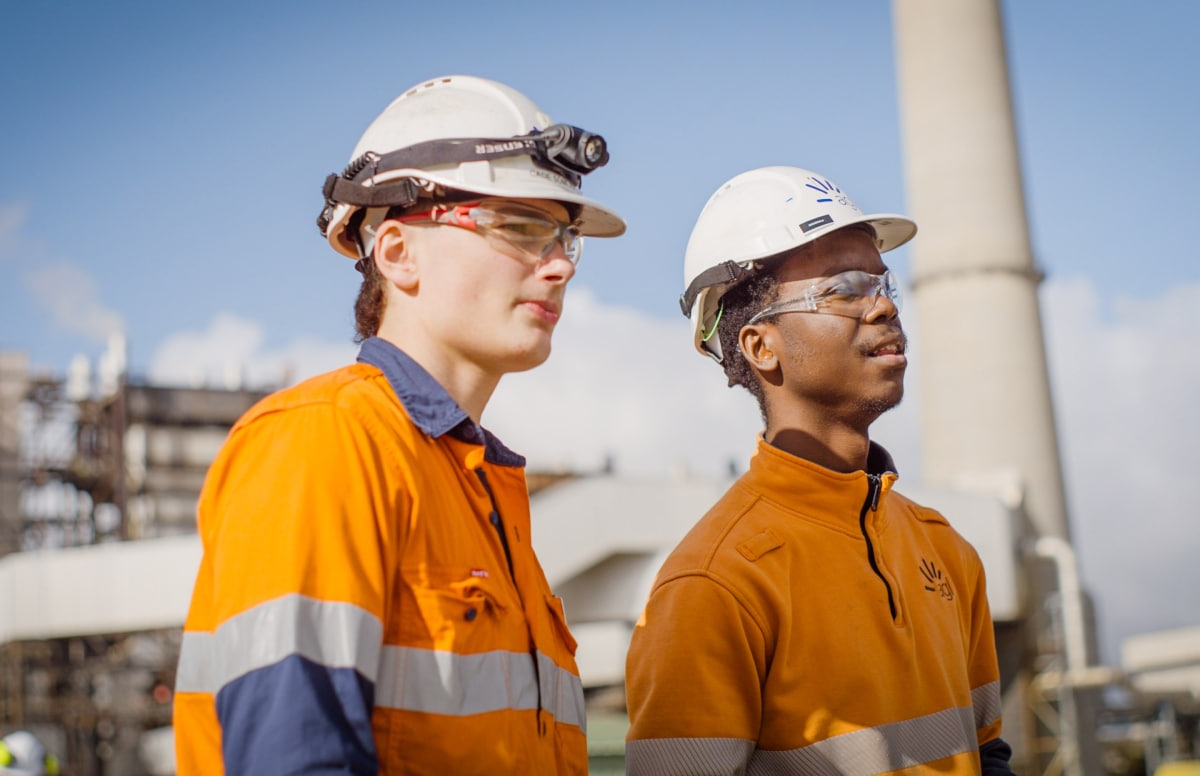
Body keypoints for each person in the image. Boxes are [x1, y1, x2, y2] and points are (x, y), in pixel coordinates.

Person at [173, 75, 625, 775]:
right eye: (522, 227)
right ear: (396, 254)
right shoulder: (324, 441)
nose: (561, 264)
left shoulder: (483, 493)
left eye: (565, 237)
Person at [625, 166, 1014, 775]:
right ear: (760, 346)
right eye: (844, 289)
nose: (883, 305)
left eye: (882, 284)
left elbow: (987, 754)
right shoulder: (714, 584)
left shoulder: (947, 551)